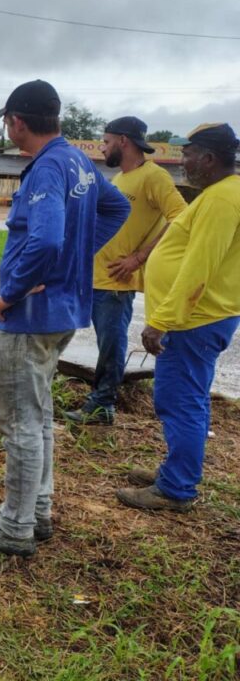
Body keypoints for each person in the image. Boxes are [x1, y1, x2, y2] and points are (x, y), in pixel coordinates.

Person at [0, 80, 130, 557]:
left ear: (17, 122)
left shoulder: (48, 168)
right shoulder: (78, 161)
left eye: (7, 122)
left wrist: (12, 291)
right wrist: (76, 256)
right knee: (39, 414)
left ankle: (15, 529)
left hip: (30, 315)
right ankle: (39, 511)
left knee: (20, 423)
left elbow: (48, 239)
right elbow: (117, 207)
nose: (7, 129)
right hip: (62, 311)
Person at [116, 123, 240, 513]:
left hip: (194, 321)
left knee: (179, 401)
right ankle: (176, 471)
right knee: (189, 399)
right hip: (202, 317)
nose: (182, 161)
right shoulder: (221, 194)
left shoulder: (221, 200)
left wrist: (163, 320)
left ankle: (176, 489)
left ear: (209, 157)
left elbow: (199, 267)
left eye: (187, 154)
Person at [65, 117, 187, 425]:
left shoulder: (154, 176)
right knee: (99, 342)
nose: (102, 148)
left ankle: (103, 405)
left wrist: (139, 257)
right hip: (94, 275)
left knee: (111, 344)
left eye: (106, 141)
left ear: (123, 140)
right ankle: (98, 398)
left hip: (117, 281)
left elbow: (181, 217)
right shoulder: (119, 178)